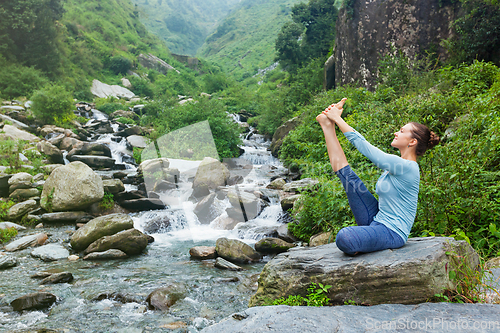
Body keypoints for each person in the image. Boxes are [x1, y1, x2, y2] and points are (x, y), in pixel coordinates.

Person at [316, 98, 440, 255]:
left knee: (344, 237)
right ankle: (327, 128)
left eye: (401, 131)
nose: (396, 132)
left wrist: (338, 118)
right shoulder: (399, 164)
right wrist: (332, 120)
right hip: (377, 220)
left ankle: (361, 242)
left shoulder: (408, 167)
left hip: (392, 232)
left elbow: (367, 149)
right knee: (349, 180)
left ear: (412, 141)